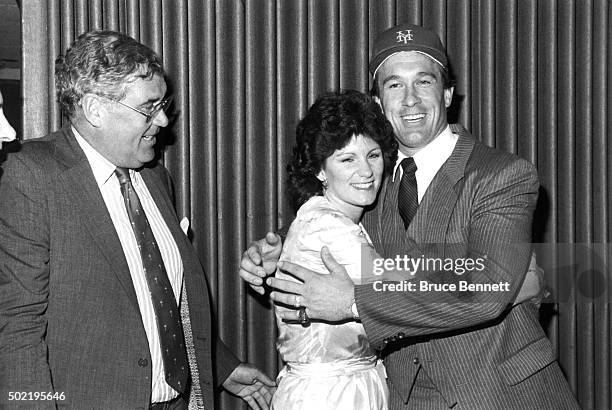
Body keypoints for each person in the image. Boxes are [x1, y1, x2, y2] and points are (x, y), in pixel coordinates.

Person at [240, 24, 578, 408]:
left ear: (448, 94)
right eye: (394, 85)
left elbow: (487, 285)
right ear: (378, 102)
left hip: (499, 394)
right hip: (401, 396)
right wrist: (277, 248)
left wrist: (353, 301)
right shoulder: (370, 181)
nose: (410, 100)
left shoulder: (500, 174)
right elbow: (333, 224)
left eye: (424, 81)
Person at [0, 30, 274, 410]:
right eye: (149, 107)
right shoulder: (31, 174)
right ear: (96, 109)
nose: (163, 120)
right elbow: (16, 326)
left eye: (164, 104)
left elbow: (156, 297)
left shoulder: (155, 177)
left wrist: (221, 366)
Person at [272, 90, 396, 410]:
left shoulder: (330, 217)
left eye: (373, 155)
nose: (366, 171)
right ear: (319, 170)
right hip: (329, 397)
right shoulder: (328, 226)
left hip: (346, 388)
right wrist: (488, 275)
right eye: (347, 158)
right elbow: (396, 288)